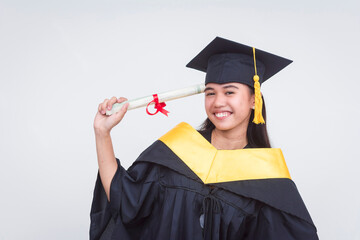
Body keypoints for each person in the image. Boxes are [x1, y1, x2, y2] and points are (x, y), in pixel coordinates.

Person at [90, 37, 319, 240]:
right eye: (210, 93)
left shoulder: (268, 177)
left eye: (229, 92)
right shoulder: (178, 149)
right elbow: (126, 201)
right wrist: (102, 133)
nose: (218, 102)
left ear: (253, 100)